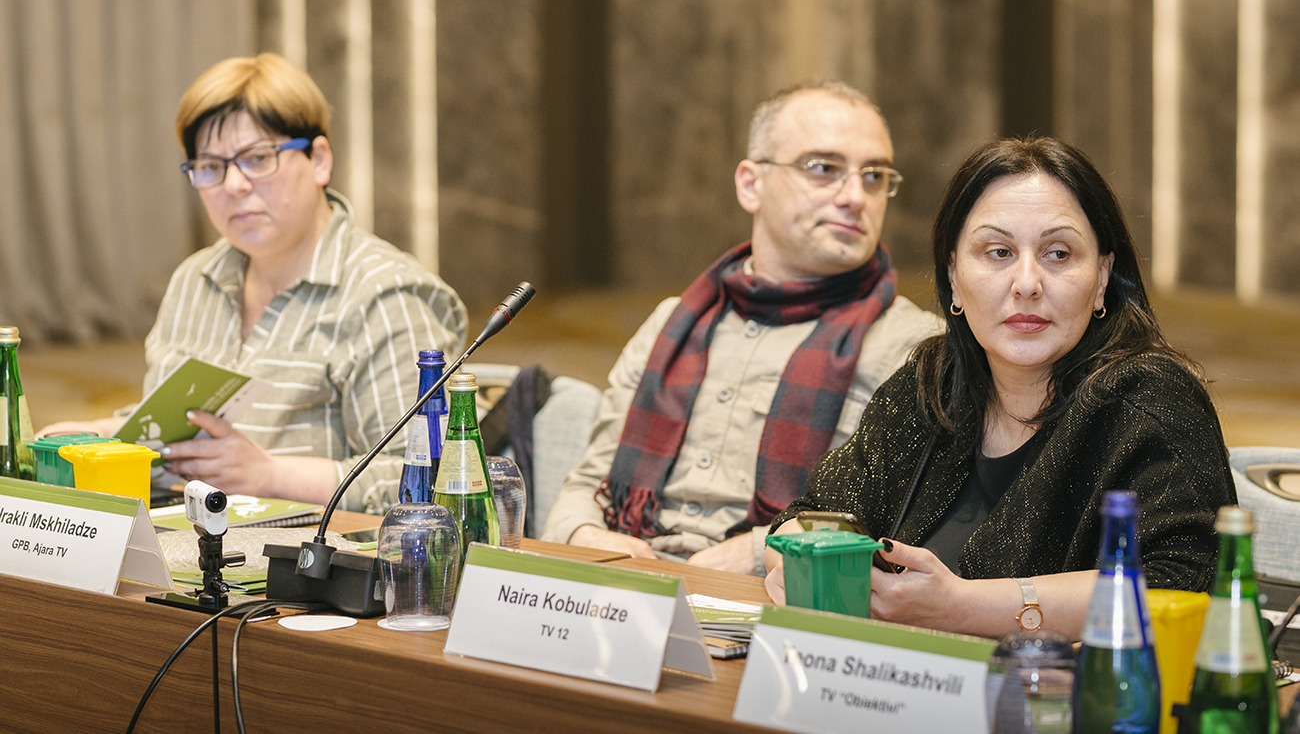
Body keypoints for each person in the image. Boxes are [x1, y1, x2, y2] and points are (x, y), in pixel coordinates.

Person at [764, 135, 1236, 639]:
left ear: (1102, 276)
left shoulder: (1150, 402)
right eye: (998, 252)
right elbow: (809, 520)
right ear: (953, 275)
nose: (1027, 283)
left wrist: (960, 607)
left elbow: (1184, 587)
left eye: (1058, 254)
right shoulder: (931, 383)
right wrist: (799, 561)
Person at [541, 80, 943, 575]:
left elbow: (897, 526)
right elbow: (589, 484)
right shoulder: (674, 322)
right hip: (631, 585)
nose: (856, 197)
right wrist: (585, 536)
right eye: (824, 169)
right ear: (751, 184)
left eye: (875, 176)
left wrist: (755, 554)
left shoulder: (916, 347)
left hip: (782, 598)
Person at [40, 53, 467, 514]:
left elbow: (428, 480)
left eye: (258, 159)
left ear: (319, 160)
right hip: (191, 540)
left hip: (313, 553)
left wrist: (269, 475)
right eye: (210, 166)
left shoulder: (385, 296)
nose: (234, 185)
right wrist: (106, 436)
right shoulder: (195, 280)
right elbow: (179, 430)